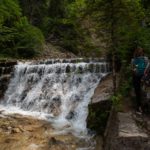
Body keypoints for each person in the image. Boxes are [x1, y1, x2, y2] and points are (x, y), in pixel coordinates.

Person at [131, 47, 149, 113]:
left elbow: (132, 70)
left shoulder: (133, 60)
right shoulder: (146, 59)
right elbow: (148, 69)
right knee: (145, 92)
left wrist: (135, 71)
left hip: (136, 77)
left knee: (138, 92)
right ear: (142, 52)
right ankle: (145, 107)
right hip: (144, 78)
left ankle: (139, 107)